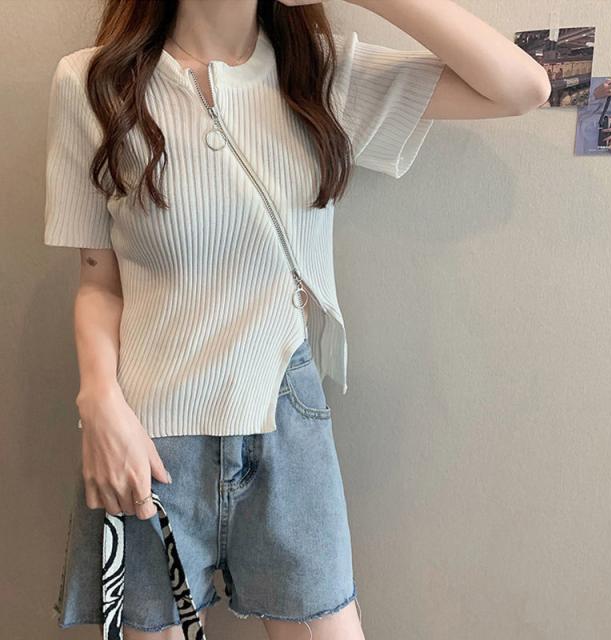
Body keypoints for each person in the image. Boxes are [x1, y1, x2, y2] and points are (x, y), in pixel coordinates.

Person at [44, 0, 550, 638]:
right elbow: (98, 280)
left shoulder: (320, 75)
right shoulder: (93, 82)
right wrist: (99, 404)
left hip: (285, 419)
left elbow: (521, 88)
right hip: (146, 436)